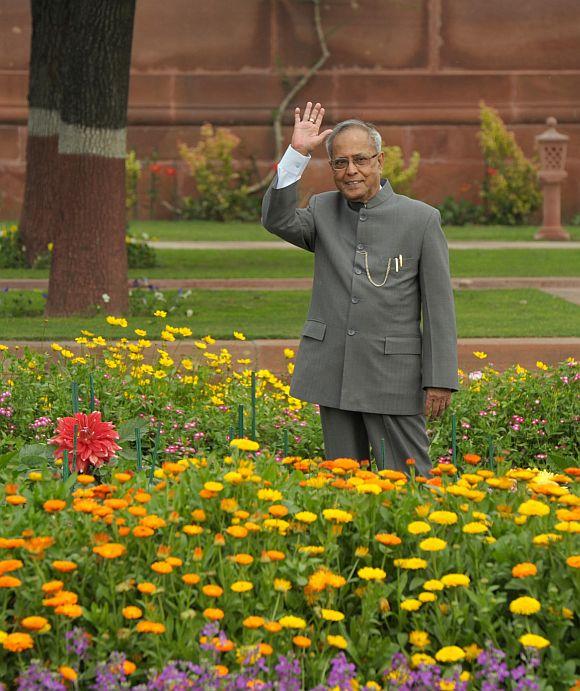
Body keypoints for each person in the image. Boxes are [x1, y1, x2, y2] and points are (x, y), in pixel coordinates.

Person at [262, 101, 458, 476]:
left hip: (392, 376)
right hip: (333, 369)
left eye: (360, 160)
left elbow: (439, 310)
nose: (351, 171)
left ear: (379, 160)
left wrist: (440, 379)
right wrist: (298, 153)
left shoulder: (420, 219)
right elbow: (277, 218)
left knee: (410, 481)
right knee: (343, 482)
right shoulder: (321, 210)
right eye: (339, 162)